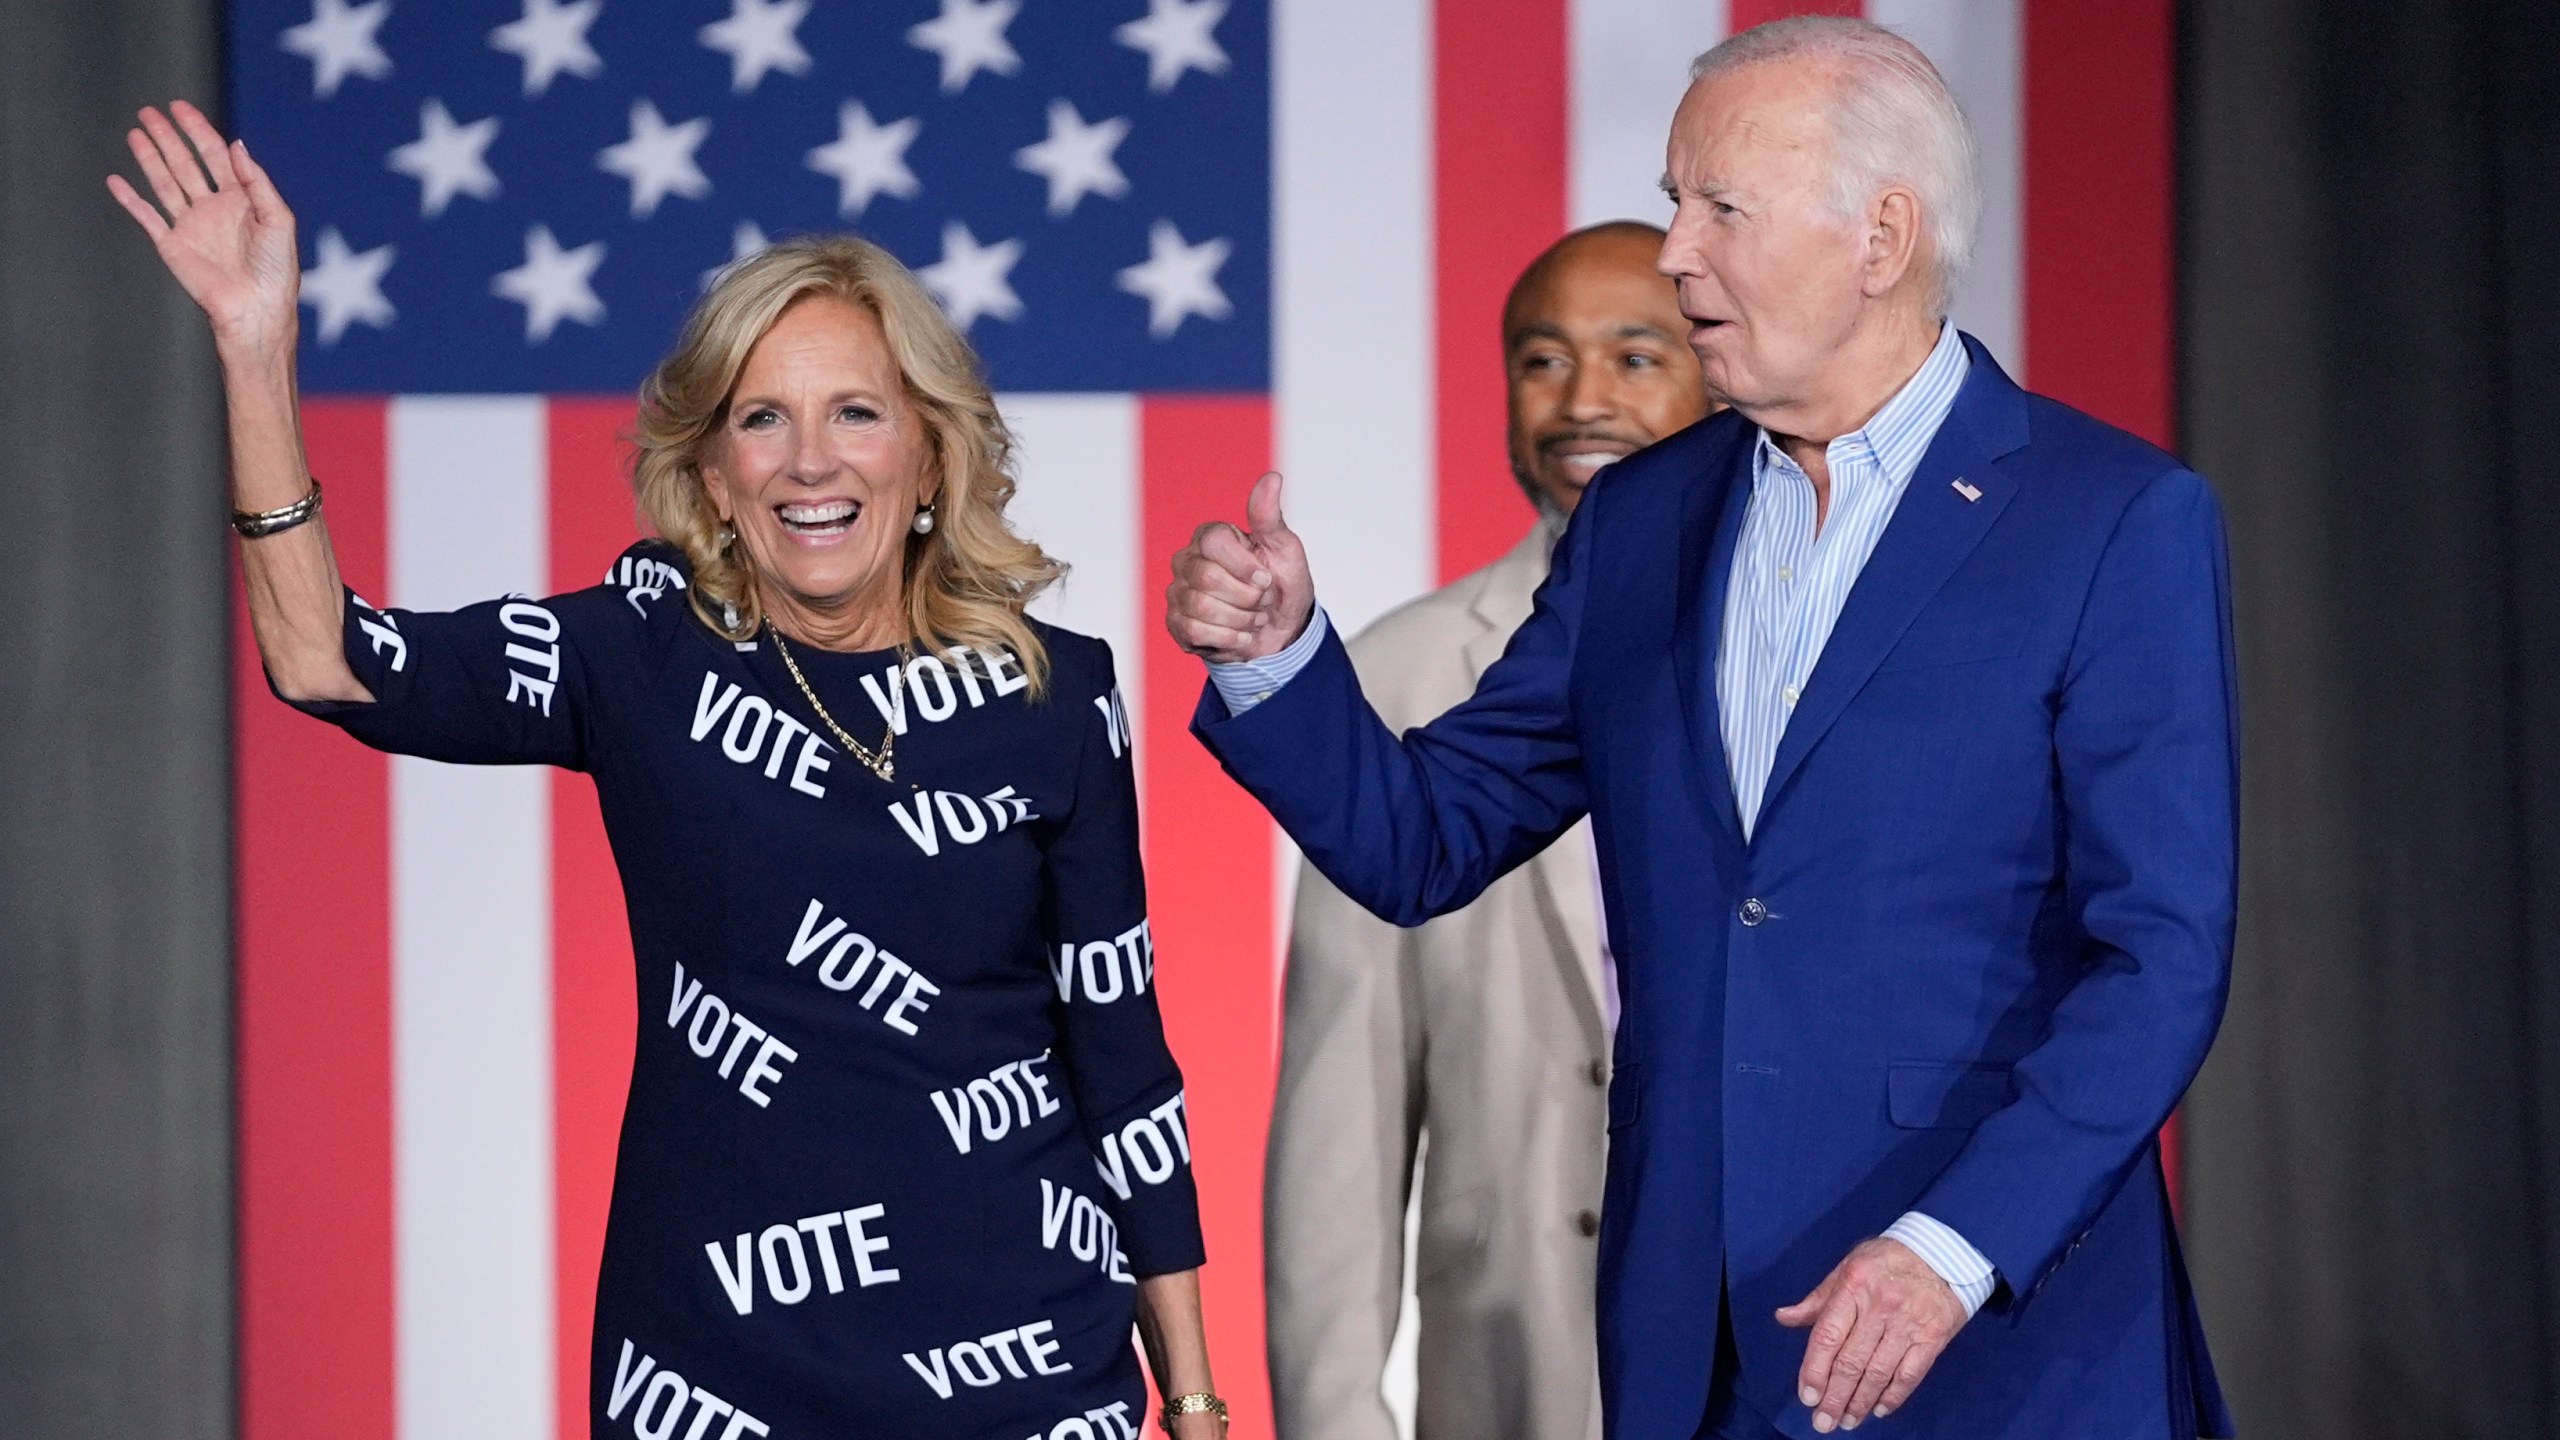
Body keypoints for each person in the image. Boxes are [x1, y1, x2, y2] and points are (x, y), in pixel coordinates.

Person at [1167, 17, 2236, 1440]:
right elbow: (1426, 838)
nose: (1675, 251)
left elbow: (2159, 955)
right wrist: (1278, 660)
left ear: (1881, 236)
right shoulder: (1642, 522)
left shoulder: (2108, 521)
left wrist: (1954, 1247)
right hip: (1701, 1356)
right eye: (1677, 202)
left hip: (1994, 1341)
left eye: (1718, 206)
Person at [111, 101, 1228, 1439]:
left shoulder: (1055, 692)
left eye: (857, 413)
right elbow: (326, 660)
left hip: (1033, 1371)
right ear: (713, 470)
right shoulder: (642, 653)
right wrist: (257, 350)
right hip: (720, 1373)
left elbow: (1123, 1058)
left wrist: (1199, 1397)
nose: (811, 461)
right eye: (763, 419)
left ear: (930, 453)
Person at [1264, 221, 1709, 1440]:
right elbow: (1339, 1108)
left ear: (1720, 366)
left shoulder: (1803, 647)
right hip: (1512, 1377)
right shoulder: (1401, 675)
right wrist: (1333, 1413)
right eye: (1541, 360)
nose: (1581, 402)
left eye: (1635, 356)